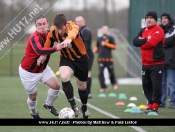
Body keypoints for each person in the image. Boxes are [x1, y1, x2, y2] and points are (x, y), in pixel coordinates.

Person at [38, 14, 89, 119]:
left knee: (82, 86)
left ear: (66, 24)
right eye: (57, 28)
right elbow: (47, 45)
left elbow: (73, 32)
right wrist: (42, 56)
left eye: (61, 28)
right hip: (66, 58)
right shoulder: (53, 30)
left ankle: (84, 106)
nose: (59, 31)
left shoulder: (73, 27)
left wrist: (69, 39)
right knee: (64, 76)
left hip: (81, 59)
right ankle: (73, 106)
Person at [19, 15, 63, 119]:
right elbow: (39, 50)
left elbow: (61, 36)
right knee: (33, 96)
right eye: (39, 24)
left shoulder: (50, 34)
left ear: (47, 24)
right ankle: (33, 112)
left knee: (56, 86)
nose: (42, 26)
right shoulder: (34, 37)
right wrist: (56, 48)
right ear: (36, 26)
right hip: (29, 72)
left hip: (43, 68)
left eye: (44, 24)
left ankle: (48, 104)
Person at [133, 11, 165, 114]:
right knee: (146, 84)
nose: (149, 19)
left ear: (155, 20)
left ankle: (155, 106)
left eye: (151, 17)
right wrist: (146, 40)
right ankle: (150, 105)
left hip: (156, 63)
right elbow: (135, 41)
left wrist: (142, 42)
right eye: (147, 17)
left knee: (156, 85)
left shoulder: (159, 30)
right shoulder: (143, 30)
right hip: (145, 63)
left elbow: (152, 43)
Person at [93, 25, 118, 93]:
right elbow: (97, 47)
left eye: (105, 29)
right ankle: (103, 87)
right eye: (103, 29)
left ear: (108, 30)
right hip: (101, 59)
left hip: (109, 59)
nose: (104, 30)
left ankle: (113, 83)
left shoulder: (111, 38)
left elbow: (114, 47)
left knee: (111, 73)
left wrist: (106, 44)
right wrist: (94, 50)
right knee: (101, 73)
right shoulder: (99, 38)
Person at [75, 16, 94, 99]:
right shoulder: (81, 30)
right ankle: (85, 93)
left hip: (87, 55)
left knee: (87, 73)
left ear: (84, 21)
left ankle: (88, 93)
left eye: (80, 21)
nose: (78, 23)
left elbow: (85, 45)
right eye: (77, 22)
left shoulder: (85, 31)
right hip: (84, 55)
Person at [159, 12, 175, 108]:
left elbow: (169, 41)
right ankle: (161, 102)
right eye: (162, 18)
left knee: (172, 83)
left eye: (165, 18)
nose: (163, 20)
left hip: (172, 60)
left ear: (169, 19)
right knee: (162, 83)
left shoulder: (173, 28)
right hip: (161, 60)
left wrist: (161, 41)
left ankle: (173, 102)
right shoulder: (159, 29)